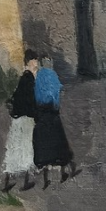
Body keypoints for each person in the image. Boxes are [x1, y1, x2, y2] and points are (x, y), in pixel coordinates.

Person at [33, 54, 79, 188]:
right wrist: (55, 107)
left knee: (45, 145)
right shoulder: (52, 75)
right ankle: (65, 169)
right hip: (52, 113)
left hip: (42, 114)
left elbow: (37, 95)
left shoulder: (39, 76)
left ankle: (47, 176)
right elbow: (57, 92)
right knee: (59, 143)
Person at [2, 50, 39, 192]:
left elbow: (15, 99)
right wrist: (37, 115)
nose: (36, 64)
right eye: (35, 61)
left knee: (14, 148)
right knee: (26, 148)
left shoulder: (23, 78)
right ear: (29, 62)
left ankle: (7, 182)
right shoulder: (29, 79)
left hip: (17, 119)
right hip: (26, 119)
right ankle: (26, 182)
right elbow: (31, 101)